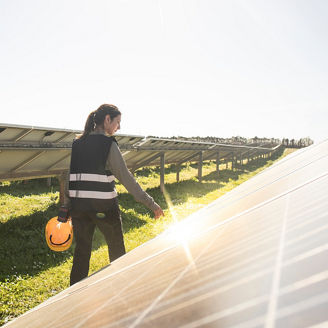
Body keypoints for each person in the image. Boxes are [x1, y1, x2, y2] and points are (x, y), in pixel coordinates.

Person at [59, 104, 164, 286]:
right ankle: (121, 291)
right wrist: (151, 203)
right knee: (117, 253)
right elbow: (126, 178)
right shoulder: (108, 144)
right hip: (105, 208)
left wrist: (65, 207)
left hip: (79, 208)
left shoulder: (77, 143)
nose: (119, 127)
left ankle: (73, 296)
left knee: (81, 254)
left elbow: (68, 177)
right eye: (117, 122)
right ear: (107, 119)